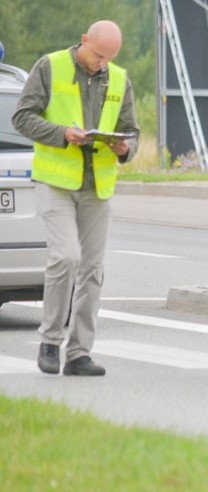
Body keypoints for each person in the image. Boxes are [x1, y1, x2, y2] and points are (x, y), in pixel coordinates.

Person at [12, 20, 140, 376]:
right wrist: (63, 133)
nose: (102, 63)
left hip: (96, 186)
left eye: (109, 57)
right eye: (98, 54)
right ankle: (50, 341)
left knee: (93, 271)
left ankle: (79, 354)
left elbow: (134, 132)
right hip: (55, 182)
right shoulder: (49, 66)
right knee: (65, 257)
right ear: (84, 40)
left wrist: (125, 147)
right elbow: (21, 117)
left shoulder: (119, 78)